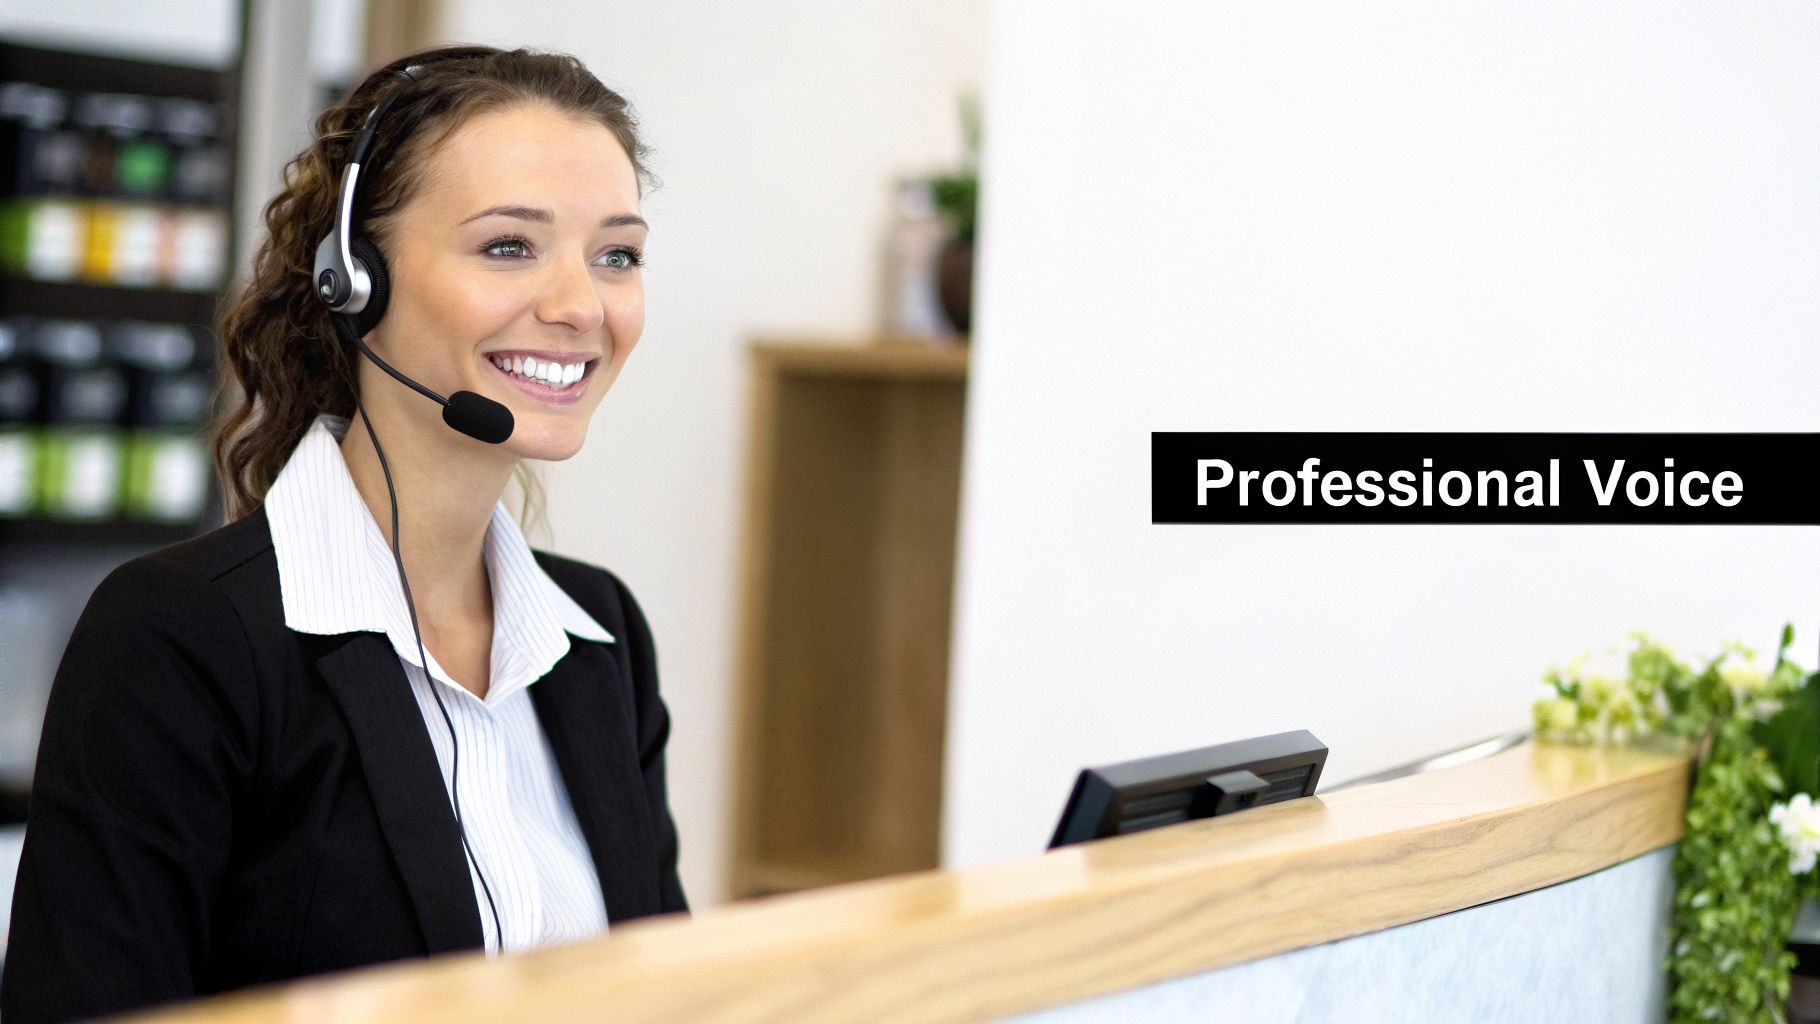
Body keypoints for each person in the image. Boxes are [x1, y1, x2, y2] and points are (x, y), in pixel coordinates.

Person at [1, 44, 686, 1023]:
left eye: (615, 253)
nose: (581, 305)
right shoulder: (183, 637)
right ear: (353, 278)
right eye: (508, 246)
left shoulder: (597, 638)